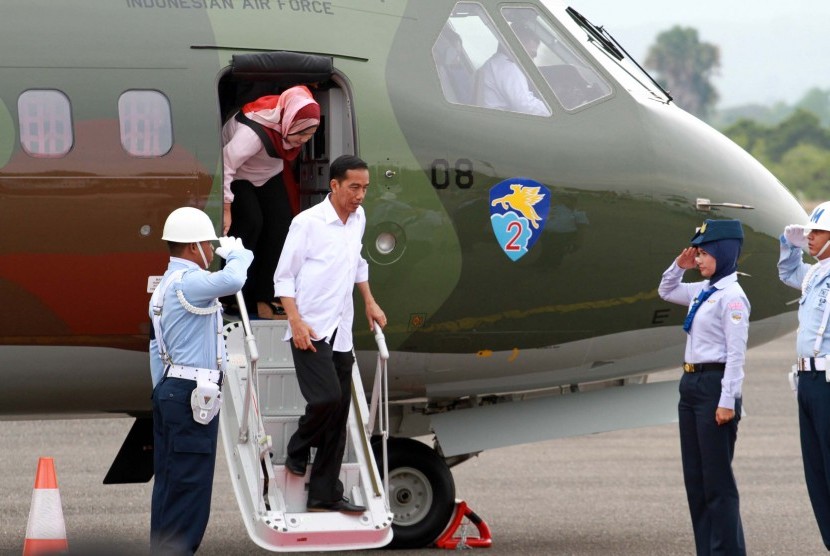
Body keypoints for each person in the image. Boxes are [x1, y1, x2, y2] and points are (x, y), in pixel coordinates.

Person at [273, 154, 386, 513]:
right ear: (334, 185)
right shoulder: (307, 223)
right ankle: (297, 446)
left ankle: (324, 491)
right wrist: (295, 321)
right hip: (310, 327)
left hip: (341, 329)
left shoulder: (359, 219)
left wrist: (369, 300)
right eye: (354, 187)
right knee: (325, 399)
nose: (360, 195)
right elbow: (283, 276)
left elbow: (357, 262)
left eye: (365, 188)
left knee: (338, 414)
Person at [148, 207, 253, 554]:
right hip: (192, 392)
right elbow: (234, 280)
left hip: (172, 388)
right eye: (207, 244)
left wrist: (162, 391)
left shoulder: (164, 285)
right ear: (194, 247)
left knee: (170, 483)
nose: (211, 250)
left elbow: (154, 347)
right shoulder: (190, 282)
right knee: (190, 485)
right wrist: (238, 253)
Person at [658, 219, 749, 556]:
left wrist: (728, 401)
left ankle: (727, 552)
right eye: (697, 253)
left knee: (717, 483)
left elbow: (737, 356)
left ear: (724, 252)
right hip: (691, 385)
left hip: (715, 385)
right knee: (696, 482)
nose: (698, 259)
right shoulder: (703, 290)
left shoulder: (732, 298)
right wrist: (677, 267)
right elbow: (667, 290)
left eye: (704, 253)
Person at [221, 85, 320, 320]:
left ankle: (266, 296)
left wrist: (298, 136)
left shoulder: (293, 117)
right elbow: (226, 163)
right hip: (238, 174)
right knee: (251, 223)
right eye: (300, 135)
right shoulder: (252, 134)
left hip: (268, 173)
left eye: (309, 135)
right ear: (287, 125)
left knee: (282, 226)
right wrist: (226, 207)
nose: (303, 141)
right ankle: (234, 297)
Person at [778, 201, 830, 550]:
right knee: (816, 472)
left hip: (828, 380)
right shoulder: (814, 273)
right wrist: (788, 244)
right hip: (807, 381)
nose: (809, 237)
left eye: (817, 232)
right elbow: (788, 274)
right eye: (808, 232)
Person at [477, 23, 551, 116]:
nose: (532, 61)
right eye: (531, 54)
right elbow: (525, 106)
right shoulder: (508, 67)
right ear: (517, 47)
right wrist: (552, 112)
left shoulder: (495, 63)